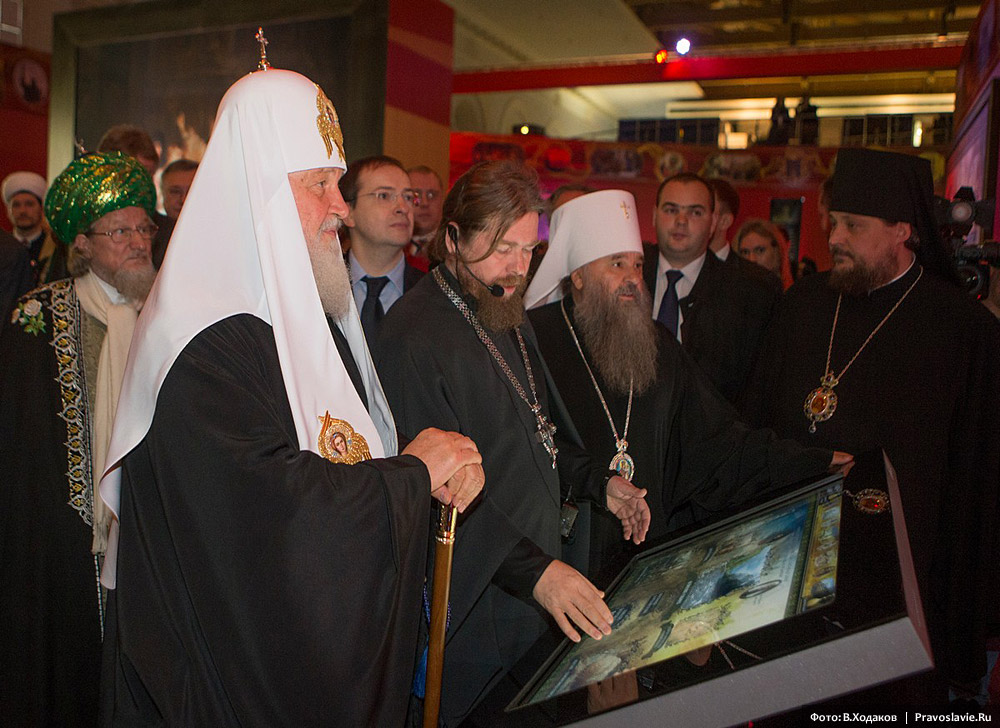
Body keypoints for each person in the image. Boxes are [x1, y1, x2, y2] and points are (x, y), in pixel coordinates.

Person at [98, 67, 484, 727]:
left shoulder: (302, 317)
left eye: (338, 182)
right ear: (260, 194)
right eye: (319, 184)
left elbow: (343, 445)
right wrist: (412, 476)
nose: (341, 207)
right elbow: (268, 516)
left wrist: (424, 471)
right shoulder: (199, 341)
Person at [376, 160, 650, 726]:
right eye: (504, 248)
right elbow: (441, 493)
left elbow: (539, 433)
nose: (519, 268)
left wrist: (600, 484)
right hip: (473, 611)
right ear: (453, 237)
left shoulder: (505, 308)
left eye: (529, 250)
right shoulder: (412, 335)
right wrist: (538, 573)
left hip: (530, 599)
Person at [744, 147, 1000, 705]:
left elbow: (976, 486)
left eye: (853, 226)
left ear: (903, 230)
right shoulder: (802, 305)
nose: (834, 237)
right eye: (834, 222)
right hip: (792, 579)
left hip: (898, 592)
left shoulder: (963, 331)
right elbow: (757, 425)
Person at [525, 189, 844, 582]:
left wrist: (810, 461)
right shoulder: (535, 340)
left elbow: (717, 441)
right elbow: (527, 446)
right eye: (617, 264)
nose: (632, 279)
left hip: (644, 556)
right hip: (564, 559)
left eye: (638, 265)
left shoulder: (657, 343)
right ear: (577, 275)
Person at [0, 151, 158, 727]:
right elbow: (22, 451)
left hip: (152, 536)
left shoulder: (169, 313)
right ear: (84, 244)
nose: (138, 242)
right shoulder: (37, 317)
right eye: (120, 231)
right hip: (66, 547)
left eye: (144, 228)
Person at [645, 172, 780, 405]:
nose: (681, 221)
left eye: (695, 212)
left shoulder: (750, 292)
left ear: (714, 222)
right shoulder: (625, 277)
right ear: (655, 215)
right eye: (671, 210)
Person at [339, 155, 424, 340]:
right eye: (384, 195)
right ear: (348, 213)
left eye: (408, 197)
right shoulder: (317, 293)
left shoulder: (431, 294)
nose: (402, 208)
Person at [98, 124, 174, 268]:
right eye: (135, 176)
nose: (144, 185)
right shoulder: (82, 231)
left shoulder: (170, 234)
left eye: (149, 175)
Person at [2, 170, 66, 284]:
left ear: (41, 209)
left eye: (29, 204)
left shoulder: (55, 247)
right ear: (8, 211)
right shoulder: (3, 246)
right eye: (16, 205)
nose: (22, 211)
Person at [734, 217, 795, 289]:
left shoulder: (791, 292)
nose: (752, 259)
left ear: (776, 252)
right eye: (745, 252)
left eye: (760, 250)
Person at [407, 164, 444, 269]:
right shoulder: (389, 247)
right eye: (416, 195)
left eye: (431, 195)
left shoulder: (454, 249)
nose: (424, 203)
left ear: (442, 199)